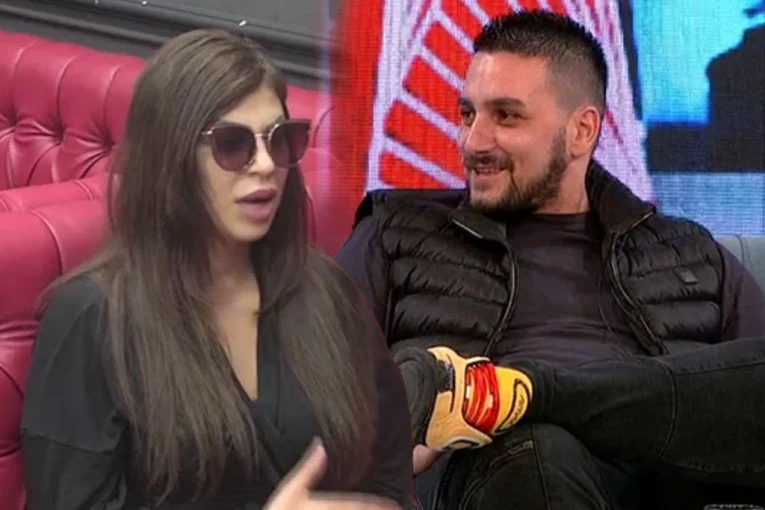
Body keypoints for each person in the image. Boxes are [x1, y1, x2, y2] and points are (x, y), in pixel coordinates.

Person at [335, 10, 765, 510]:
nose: (473, 142)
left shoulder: (690, 251)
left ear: (582, 130)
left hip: (668, 483)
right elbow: (311, 381)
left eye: (506, 116)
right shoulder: (395, 231)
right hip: (506, 474)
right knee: (538, 449)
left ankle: (518, 393)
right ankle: (522, 406)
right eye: (468, 114)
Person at [21, 29, 413, 510]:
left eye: (281, 140)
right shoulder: (90, 318)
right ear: (170, 160)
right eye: (232, 144)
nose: (265, 165)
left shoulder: (324, 290)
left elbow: (391, 477)